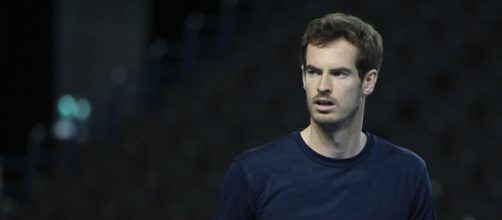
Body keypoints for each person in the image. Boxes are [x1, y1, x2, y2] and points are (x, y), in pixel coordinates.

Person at [216, 12, 437, 219]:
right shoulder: (253, 173)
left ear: (368, 81)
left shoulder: (407, 173)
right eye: (314, 72)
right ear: (303, 77)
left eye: (339, 73)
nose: (322, 86)